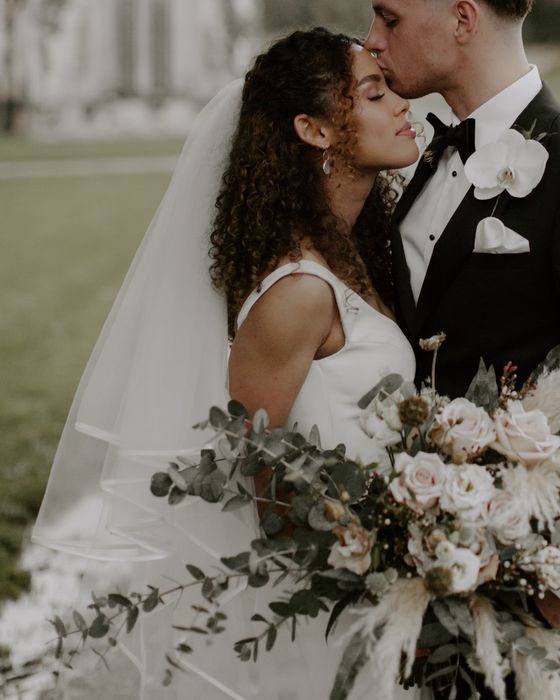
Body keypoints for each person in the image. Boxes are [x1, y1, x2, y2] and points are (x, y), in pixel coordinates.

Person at [32, 28, 423, 699]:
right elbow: (260, 486)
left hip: (377, 603)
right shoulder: (299, 293)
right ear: (315, 130)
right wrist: (386, 545)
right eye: (373, 92)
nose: (400, 104)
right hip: (324, 613)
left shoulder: (358, 255)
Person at [364, 1, 560, 699]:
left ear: (459, 17)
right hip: (428, 571)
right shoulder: (427, 162)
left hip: (537, 600)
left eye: (388, 18)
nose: (372, 40)